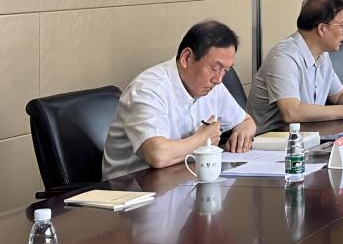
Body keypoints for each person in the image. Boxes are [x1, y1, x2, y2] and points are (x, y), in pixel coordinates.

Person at [102, 20, 256, 178]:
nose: (218, 79)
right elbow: (158, 155)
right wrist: (203, 138)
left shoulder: (213, 86)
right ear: (186, 58)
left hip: (183, 179)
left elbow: (246, 121)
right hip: (131, 187)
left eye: (225, 70)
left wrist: (242, 135)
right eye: (215, 68)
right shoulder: (148, 89)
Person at [247, 0, 343, 134]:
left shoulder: (322, 54)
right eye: (342, 25)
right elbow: (291, 112)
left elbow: (339, 94)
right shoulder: (284, 57)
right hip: (272, 141)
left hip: (308, 135)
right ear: (322, 29)